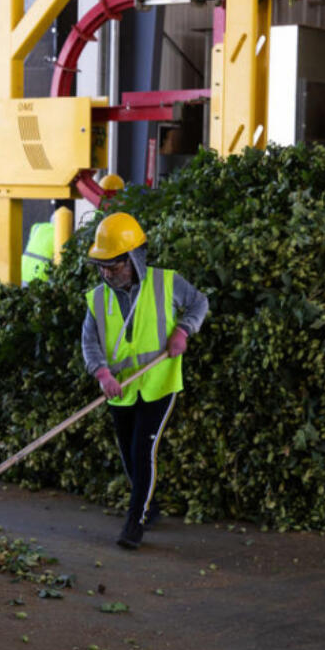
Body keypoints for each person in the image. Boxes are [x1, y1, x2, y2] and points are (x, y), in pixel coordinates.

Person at [81, 212, 208, 550]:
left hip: (158, 385)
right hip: (119, 390)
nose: (108, 272)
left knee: (142, 449)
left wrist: (184, 330)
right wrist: (102, 372)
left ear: (134, 258)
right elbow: (89, 341)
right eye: (103, 265)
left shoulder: (166, 283)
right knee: (128, 454)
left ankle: (134, 523)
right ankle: (148, 506)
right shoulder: (97, 298)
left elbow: (199, 302)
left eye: (115, 265)